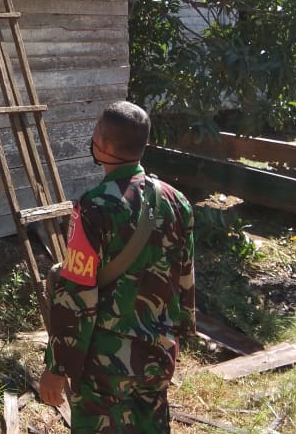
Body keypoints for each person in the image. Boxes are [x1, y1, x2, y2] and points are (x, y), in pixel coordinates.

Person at [39, 100, 196, 433]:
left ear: (104, 145)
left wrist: (57, 366)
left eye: (96, 132)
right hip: (157, 354)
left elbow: (76, 294)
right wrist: (177, 337)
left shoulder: (94, 207)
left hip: (105, 366)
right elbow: (185, 279)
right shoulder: (177, 202)